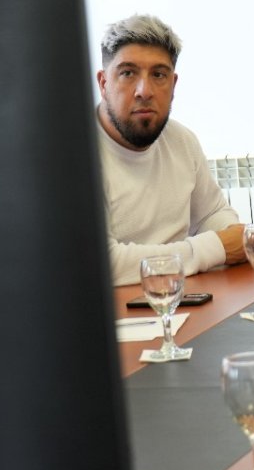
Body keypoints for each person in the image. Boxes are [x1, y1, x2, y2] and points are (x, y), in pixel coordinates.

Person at [95, 14, 246, 285]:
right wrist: (216, 248)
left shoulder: (181, 140)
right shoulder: (74, 155)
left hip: (181, 295)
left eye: (158, 75)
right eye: (128, 73)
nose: (144, 91)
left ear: (173, 85)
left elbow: (211, 214)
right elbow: (103, 263)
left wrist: (236, 235)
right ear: (104, 83)